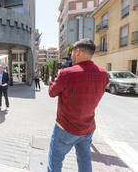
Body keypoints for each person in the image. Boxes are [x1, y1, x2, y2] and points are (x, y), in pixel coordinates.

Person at [47, 39, 109, 172]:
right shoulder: (104, 74)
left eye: (72, 53)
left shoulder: (66, 73)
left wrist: (52, 82)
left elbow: (52, 93)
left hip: (65, 128)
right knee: (85, 160)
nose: (71, 57)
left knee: (55, 161)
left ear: (78, 52)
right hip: (88, 128)